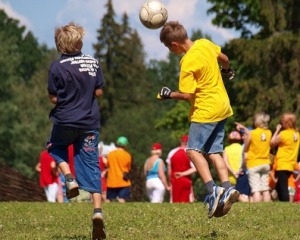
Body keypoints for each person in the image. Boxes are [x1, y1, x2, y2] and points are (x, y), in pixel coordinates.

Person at [157, 21, 239, 218]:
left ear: (174, 45)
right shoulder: (204, 43)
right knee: (213, 152)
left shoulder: (187, 61)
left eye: (169, 47)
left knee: (192, 151)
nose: (170, 50)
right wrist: (226, 72)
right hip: (223, 106)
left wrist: (168, 94)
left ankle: (213, 190)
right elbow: (225, 59)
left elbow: (187, 94)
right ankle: (227, 187)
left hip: (206, 110)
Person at [46, 22, 106, 240]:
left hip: (64, 120)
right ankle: (98, 211)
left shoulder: (56, 67)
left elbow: (53, 97)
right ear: (80, 41)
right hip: (89, 123)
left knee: (55, 145)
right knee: (92, 164)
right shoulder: (93, 62)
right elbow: (98, 92)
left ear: (60, 46)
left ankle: (69, 177)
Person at [235, 112, 272, 203]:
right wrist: (243, 127)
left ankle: (258, 207)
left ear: (257, 122)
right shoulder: (269, 132)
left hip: (254, 163)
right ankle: (267, 207)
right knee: (265, 188)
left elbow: (246, 148)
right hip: (266, 163)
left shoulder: (252, 133)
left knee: (256, 189)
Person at [270, 113, 300, 202]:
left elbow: (271, 143)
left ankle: (286, 204)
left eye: (283, 121)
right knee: (279, 186)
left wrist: (277, 130)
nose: (282, 122)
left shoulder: (284, 134)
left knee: (283, 187)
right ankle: (283, 203)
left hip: (283, 163)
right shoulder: (297, 134)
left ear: (287, 122)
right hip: (291, 164)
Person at [166, 135, 196, 203]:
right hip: (186, 179)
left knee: (174, 201)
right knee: (187, 201)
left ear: (181, 141)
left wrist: (169, 181)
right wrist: (182, 174)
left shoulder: (172, 152)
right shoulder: (190, 153)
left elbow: (169, 169)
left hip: (174, 179)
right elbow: (195, 168)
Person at [106, 136, 132, 203]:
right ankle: (123, 212)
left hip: (112, 180)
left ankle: (105, 211)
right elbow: (128, 168)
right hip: (123, 181)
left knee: (109, 199)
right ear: (125, 145)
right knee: (121, 199)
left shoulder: (110, 154)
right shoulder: (128, 155)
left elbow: (108, 164)